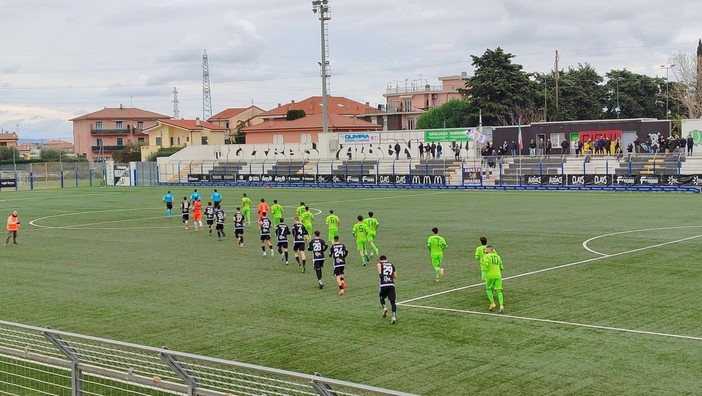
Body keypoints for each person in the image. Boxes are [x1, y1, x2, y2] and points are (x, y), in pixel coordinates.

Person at [480, 245, 505, 313]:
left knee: (488, 289)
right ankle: (501, 305)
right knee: (499, 290)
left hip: (490, 275)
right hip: (498, 275)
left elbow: (486, 264)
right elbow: (502, 268)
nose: (485, 250)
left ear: (489, 250)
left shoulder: (486, 256)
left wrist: (482, 261)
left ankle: (493, 303)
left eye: (486, 249)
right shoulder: (498, 256)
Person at [377, 255, 397, 324]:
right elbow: (395, 276)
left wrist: (381, 275)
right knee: (393, 302)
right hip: (391, 284)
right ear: (387, 259)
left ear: (380, 260)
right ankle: (394, 317)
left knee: (381, 297)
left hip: (383, 285)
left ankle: (385, 307)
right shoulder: (391, 264)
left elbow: (380, 273)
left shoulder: (379, 264)